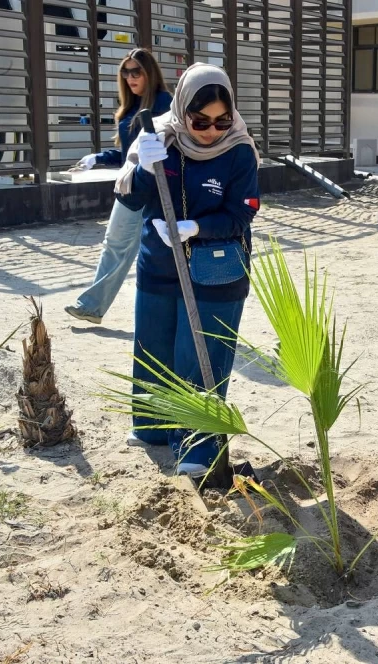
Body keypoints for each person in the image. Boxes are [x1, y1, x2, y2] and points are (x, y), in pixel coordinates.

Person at [115, 63, 260, 474]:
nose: (211, 130)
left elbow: (242, 214)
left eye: (222, 120)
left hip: (217, 271)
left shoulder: (239, 150)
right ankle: (153, 427)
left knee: (200, 358)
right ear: (182, 111)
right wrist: (143, 166)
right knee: (154, 347)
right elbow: (130, 201)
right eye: (200, 120)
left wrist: (195, 228)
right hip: (159, 262)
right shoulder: (159, 137)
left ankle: (197, 450)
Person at [65, 48, 172, 325]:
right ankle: (91, 306)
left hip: (154, 188)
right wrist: (97, 158)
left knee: (145, 251)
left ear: (150, 72)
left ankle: (93, 306)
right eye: (125, 72)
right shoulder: (130, 107)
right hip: (132, 185)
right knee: (115, 245)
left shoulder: (163, 102)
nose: (130, 77)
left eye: (136, 71)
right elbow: (128, 154)